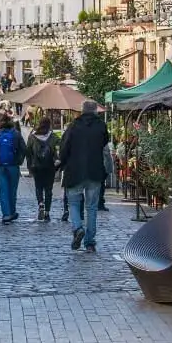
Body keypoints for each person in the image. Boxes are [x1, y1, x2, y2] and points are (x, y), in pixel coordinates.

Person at [58, 100, 110, 253]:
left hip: (75, 171)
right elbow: (104, 144)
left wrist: (62, 162)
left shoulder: (73, 126)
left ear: (82, 110)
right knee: (92, 208)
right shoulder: (101, 126)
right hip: (95, 171)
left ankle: (78, 228)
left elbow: (64, 148)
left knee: (73, 203)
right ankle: (90, 242)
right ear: (95, 111)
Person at [0, 113, 24, 223]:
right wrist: (19, 160)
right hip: (13, 166)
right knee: (13, 190)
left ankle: (6, 214)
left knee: (3, 190)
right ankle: (12, 212)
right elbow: (24, 149)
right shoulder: (16, 134)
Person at [26, 117, 59, 221]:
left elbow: (28, 152)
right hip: (50, 166)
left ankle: (40, 203)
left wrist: (29, 167)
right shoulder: (53, 137)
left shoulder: (32, 137)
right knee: (48, 190)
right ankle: (47, 212)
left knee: (38, 187)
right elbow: (59, 150)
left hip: (36, 166)